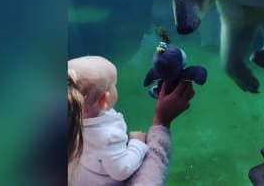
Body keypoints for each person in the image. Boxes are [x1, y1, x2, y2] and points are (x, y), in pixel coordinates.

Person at [68, 57, 195, 186]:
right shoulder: (108, 137)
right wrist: (137, 144)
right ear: (104, 99)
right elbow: (122, 170)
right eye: (113, 85)